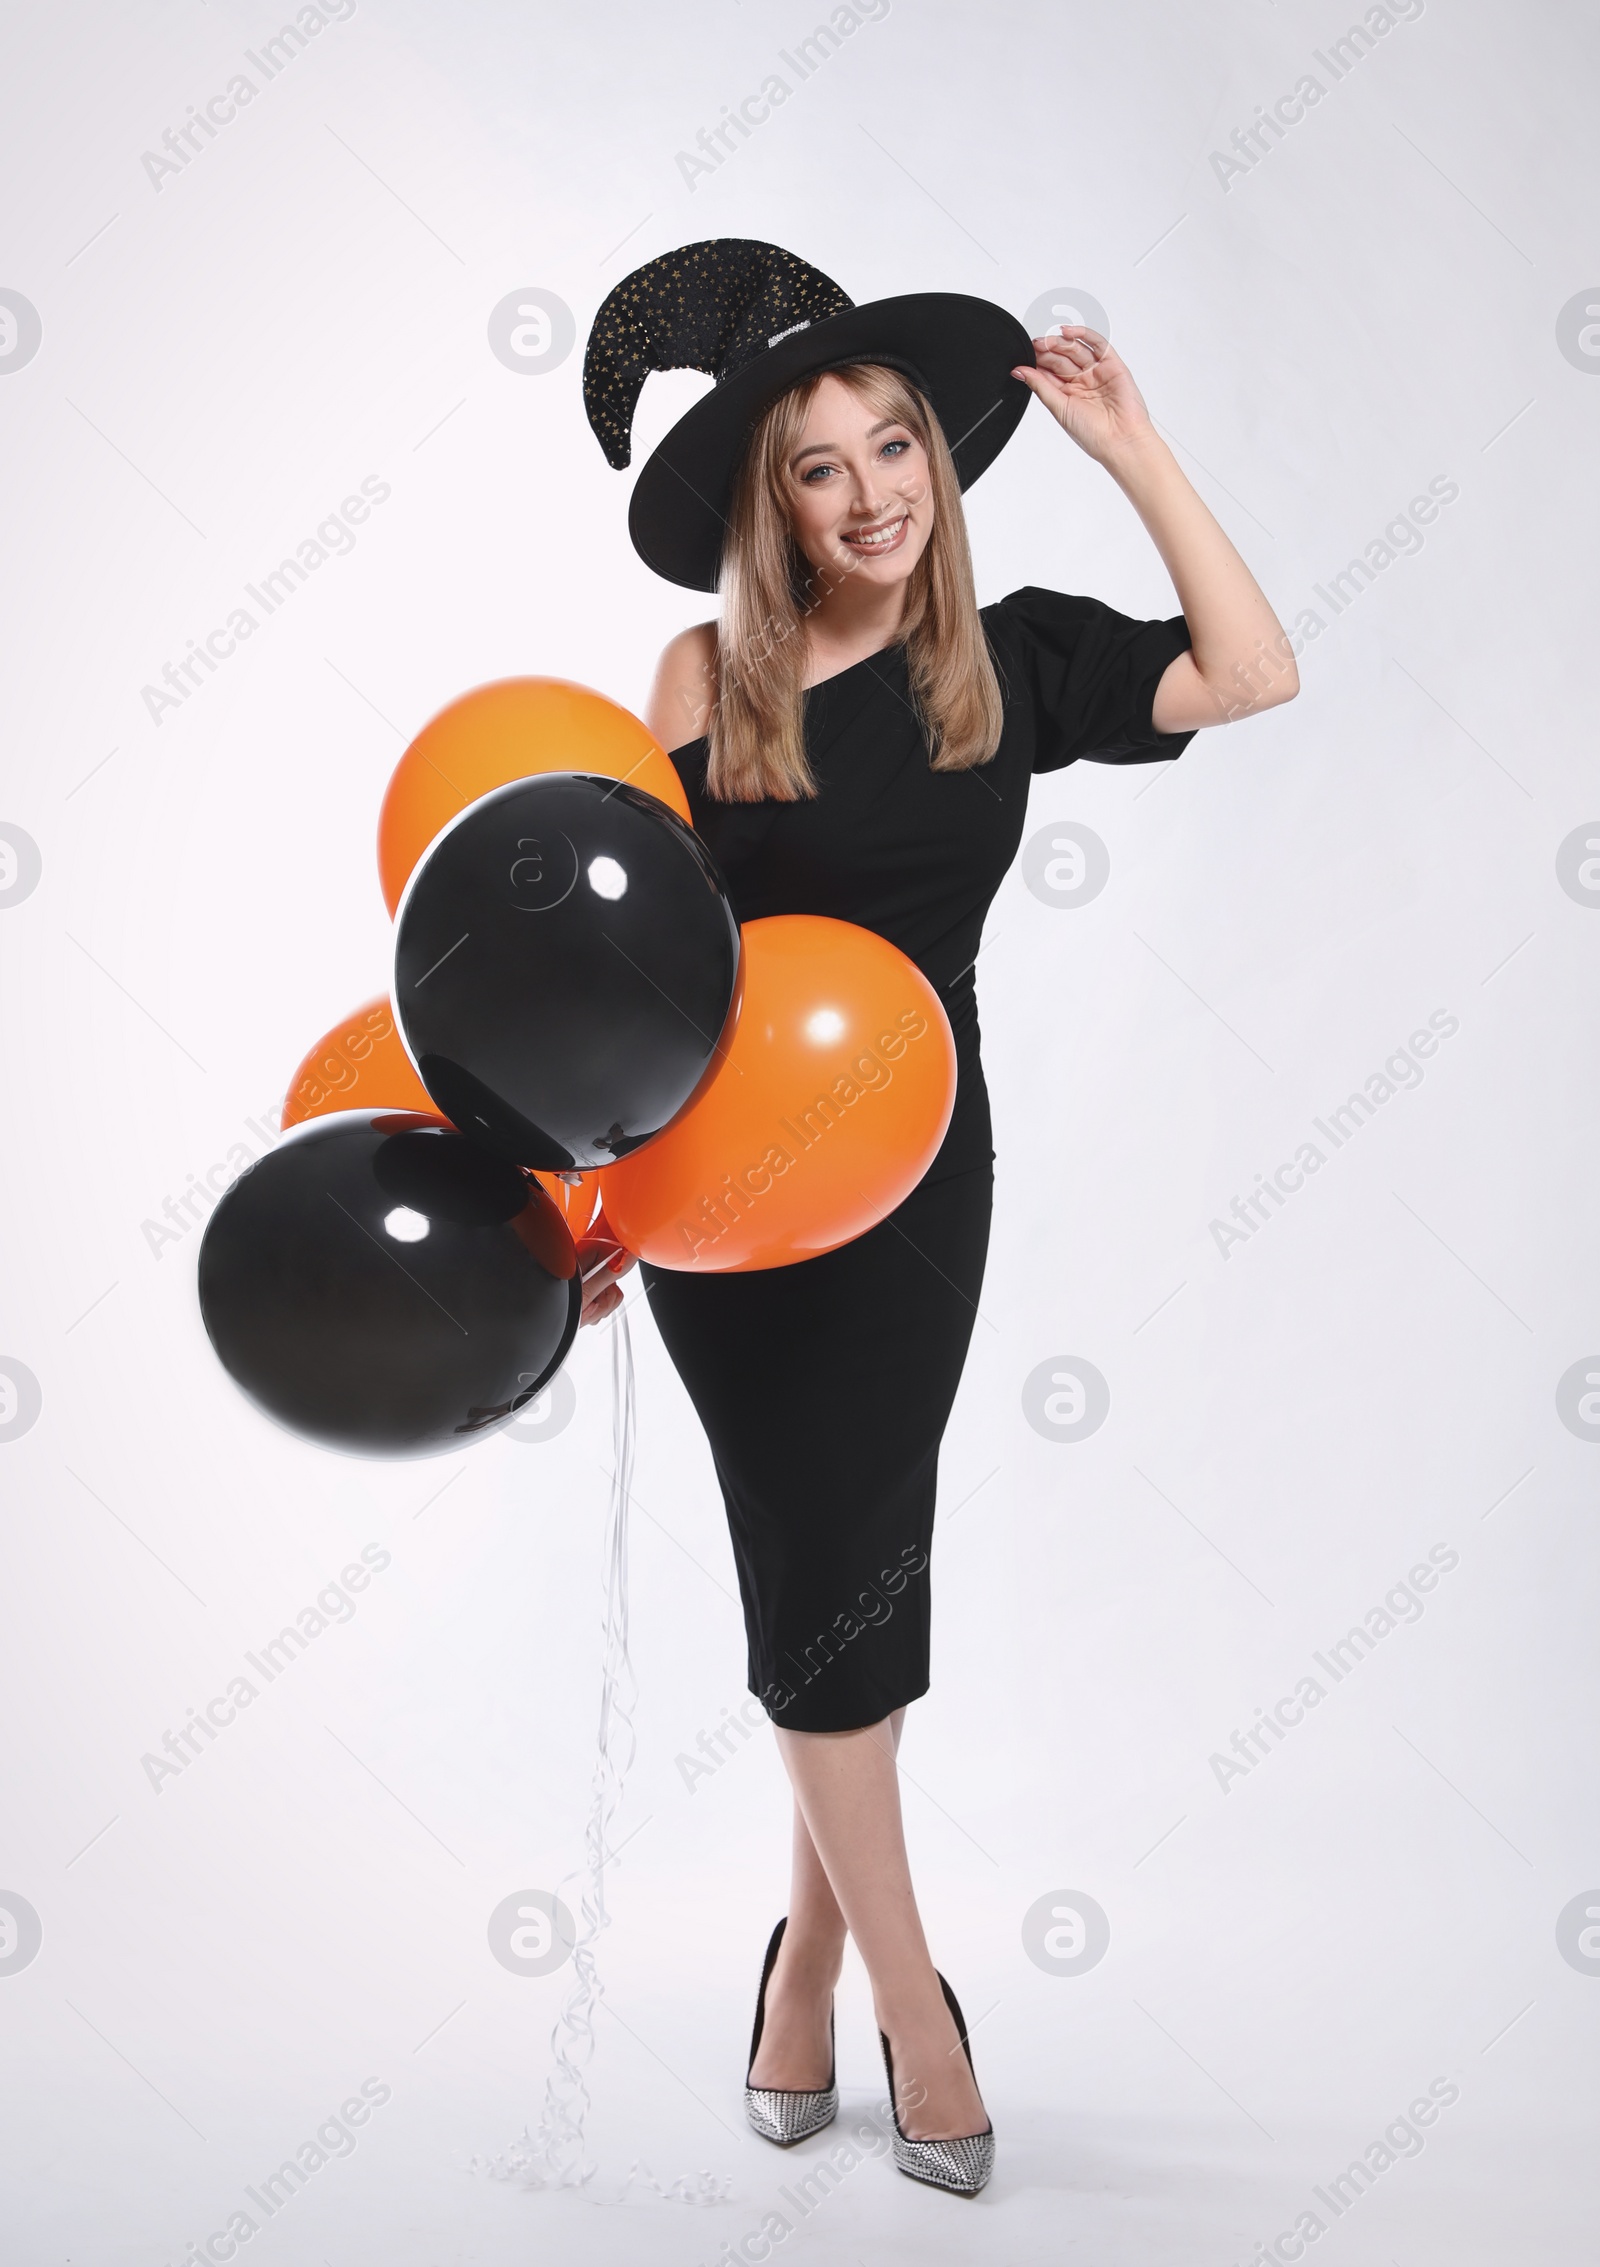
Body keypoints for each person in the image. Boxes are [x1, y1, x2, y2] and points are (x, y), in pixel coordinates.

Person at [574, 239, 1298, 2196]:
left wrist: (1130, 449)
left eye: (894, 445)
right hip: (724, 1206)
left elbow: (1250, 670)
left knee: (851, 1578)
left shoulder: (1003, 657)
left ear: (937, 454)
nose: (873, 491)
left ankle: (802, 1967)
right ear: (768, 502)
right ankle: (910, 2004)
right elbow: (626, 972)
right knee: (822, 1584)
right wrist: (578, 1197)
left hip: (913, 1189)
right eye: (821, 467)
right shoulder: (692, 688)